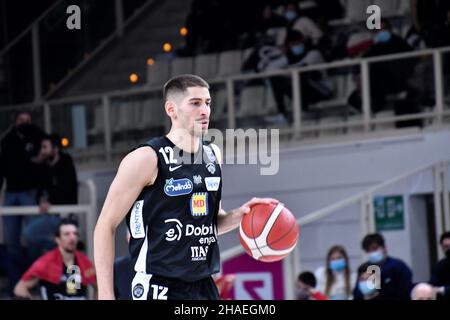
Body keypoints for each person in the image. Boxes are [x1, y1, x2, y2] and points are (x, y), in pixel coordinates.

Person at [93, 74, 278, 300]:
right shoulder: (146, 158)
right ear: (171, 109)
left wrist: (241, 215)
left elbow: (210, 222)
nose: (205, 111)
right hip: (158, 283)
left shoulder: (212, 155)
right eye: (195, 103)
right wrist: (105, 294)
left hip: (203, 284)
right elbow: (105, 224)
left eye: (208, 103)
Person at [0, 110, 45, 295]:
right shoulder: (8, 139)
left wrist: (43, 194)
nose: (24, 122)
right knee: (11, 242)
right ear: (15, 121)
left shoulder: (37, 135)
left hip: (30, 193)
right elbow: (2, 166)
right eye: (21, 119)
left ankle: (31, 281)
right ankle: (15, 285)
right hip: (11, 193)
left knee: (33, 238)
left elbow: (42, 165)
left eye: (27, 119)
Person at [22, 133, 78, 261]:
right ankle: (40, 271)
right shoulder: (45, 166)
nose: (42, 151)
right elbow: (41, 188)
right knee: (30, 240)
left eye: (45, 147)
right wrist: (42, 199)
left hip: (64, 216)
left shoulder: (66, 163)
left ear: (55, 148)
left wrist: (49, 201)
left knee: (29, 234)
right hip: (49, 214)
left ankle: (59, 249)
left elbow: (66, 191)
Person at [13, 218, 96, 300]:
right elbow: (20, 289)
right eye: (67, 234)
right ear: (57, 239)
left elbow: (99, 286)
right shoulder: (46, 262)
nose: (72, 238)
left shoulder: (84, 261)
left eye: (75, 234)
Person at [353, 233, 413, 300]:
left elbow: (406, 291)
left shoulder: (397, 267)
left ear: (384, 248)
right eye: (368, 250)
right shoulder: (365, 269)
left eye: (374, 249)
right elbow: (357, 293)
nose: (372, 253)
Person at [430, 231, 450, 300]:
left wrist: (442, 289)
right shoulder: (440, 265)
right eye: (446, 247)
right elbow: (433, 284)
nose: (449, 249)